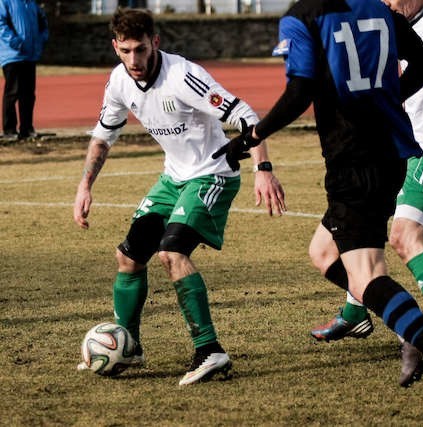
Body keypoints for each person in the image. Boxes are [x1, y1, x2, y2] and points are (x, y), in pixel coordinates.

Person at [212, 0, 423, 420]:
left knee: (368, 274)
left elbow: (299, 91)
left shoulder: (305, 15)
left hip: (354, 160)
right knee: (323, 253)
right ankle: (406, 325)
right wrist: (387, 99)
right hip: (389, 156)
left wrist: (251, 137)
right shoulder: (379, 9)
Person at [73, 8, 286, 386]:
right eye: (125, 51)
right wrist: (85, 186)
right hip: (174, 178)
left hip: (212, 174)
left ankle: (210, 350)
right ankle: (129, 344)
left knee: (172, 254)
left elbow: (246, 115)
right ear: (115, 48)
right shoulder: (119, 81)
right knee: (128, 257)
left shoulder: (184, 76)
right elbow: (104, 135)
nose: (134, 60)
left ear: (155, 42)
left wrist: (263, 170)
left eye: (140, 49)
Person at [310, 0, 423, 388]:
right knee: (335, 244)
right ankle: (356, 309)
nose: (387, 2)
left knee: (405, 236)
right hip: (398, 151)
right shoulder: (393, 24)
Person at [0, 0, 48, 139]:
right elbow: (1, 23)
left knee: (28, 94)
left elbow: (43, 22)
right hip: (13, 55)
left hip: (30, 55)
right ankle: (9, 130)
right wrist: (16, 42)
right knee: (13, 91)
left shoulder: (32, 3)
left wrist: (41, 39)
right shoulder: (5, 2)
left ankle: (27, 129)